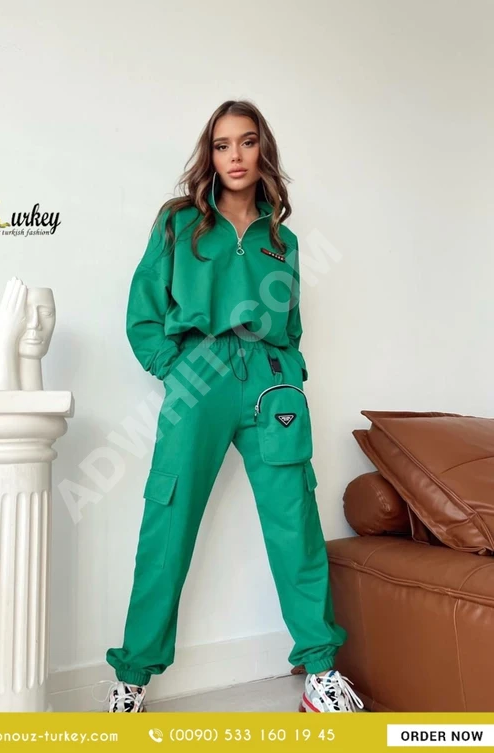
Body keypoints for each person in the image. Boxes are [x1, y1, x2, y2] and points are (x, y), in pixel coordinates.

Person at [103, 100, 364, 714]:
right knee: (168, 521)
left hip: (272, 384)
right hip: (199, 377)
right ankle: (132, 678)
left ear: (262, 150)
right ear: (211, 156)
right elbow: (144, 310)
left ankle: (320, 673)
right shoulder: (179, 222)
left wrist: (289, 374)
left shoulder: (283, 241)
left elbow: (291, 325)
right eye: (222, 145)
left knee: (294, 520)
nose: (235, 156)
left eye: (246, 142)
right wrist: (175, 368)